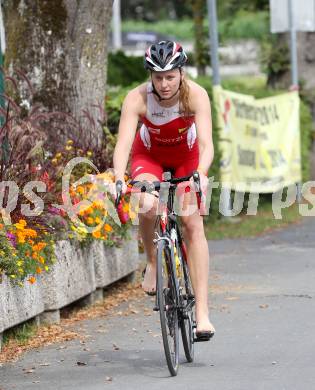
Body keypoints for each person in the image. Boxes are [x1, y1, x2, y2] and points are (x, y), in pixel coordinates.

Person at [113, 41, 215, 339]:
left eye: (170, 76)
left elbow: (207, 144)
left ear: (181, 73)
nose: (164, 83)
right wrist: (119, 177)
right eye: (158, 77)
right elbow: (123, 144)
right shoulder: (137, 98)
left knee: (192, 222)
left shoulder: (196, 95)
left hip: (188, 158)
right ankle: (153, 262)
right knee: (147, 204)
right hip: (150, 156)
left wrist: (201, 175)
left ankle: (202, 314)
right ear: (151, 77)